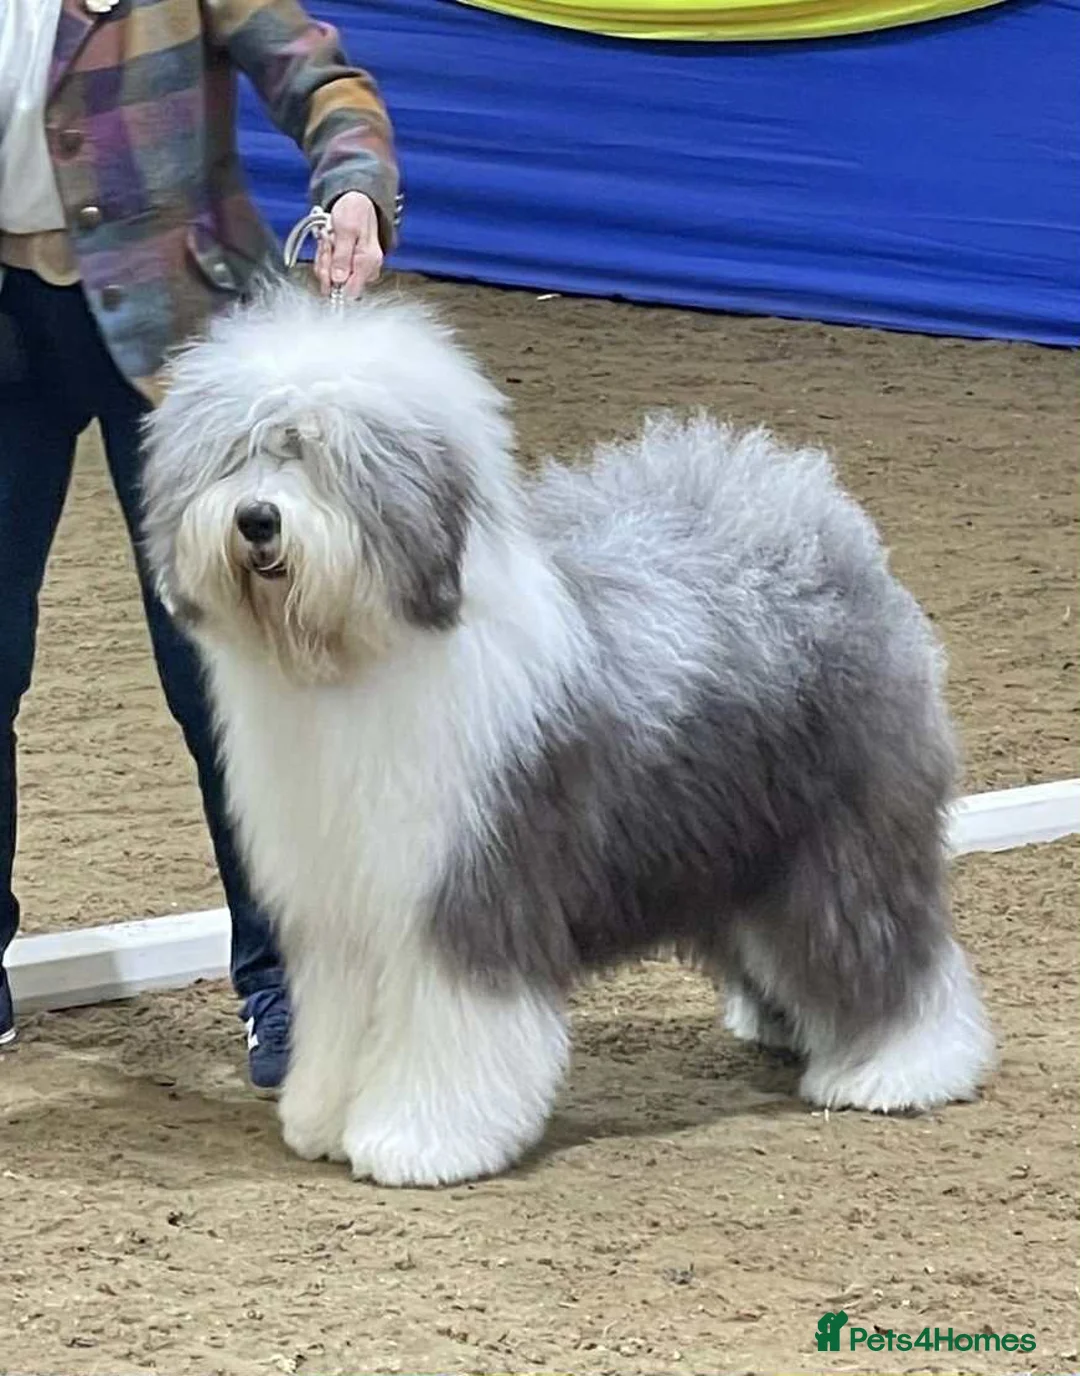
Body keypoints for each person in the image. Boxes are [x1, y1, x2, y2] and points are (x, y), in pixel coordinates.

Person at [0, 0, 401, 1087]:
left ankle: (284, 979)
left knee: (225, 676)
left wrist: (354, 187)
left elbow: (322, 80)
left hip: (186, 339)